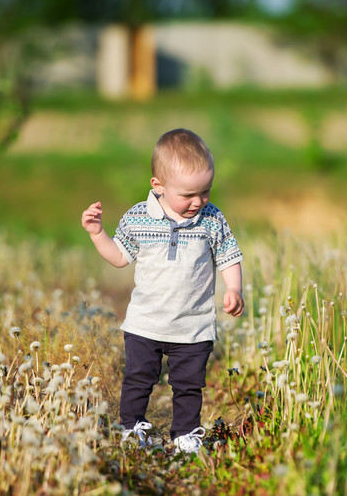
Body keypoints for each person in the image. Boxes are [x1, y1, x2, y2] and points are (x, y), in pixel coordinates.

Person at [81, 128, 244, 455]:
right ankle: (132, 428)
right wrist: (98, 234)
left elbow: (228, 254)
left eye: (205, 192)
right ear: (159, 186)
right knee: (139, 378)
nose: (198, 202)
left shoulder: (211, 219)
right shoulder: (138, 218)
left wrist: (234, 288)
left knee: (189, 385)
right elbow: (119, 257)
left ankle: (185, 434)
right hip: (146, 322)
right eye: (188, 195)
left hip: (193, 325)